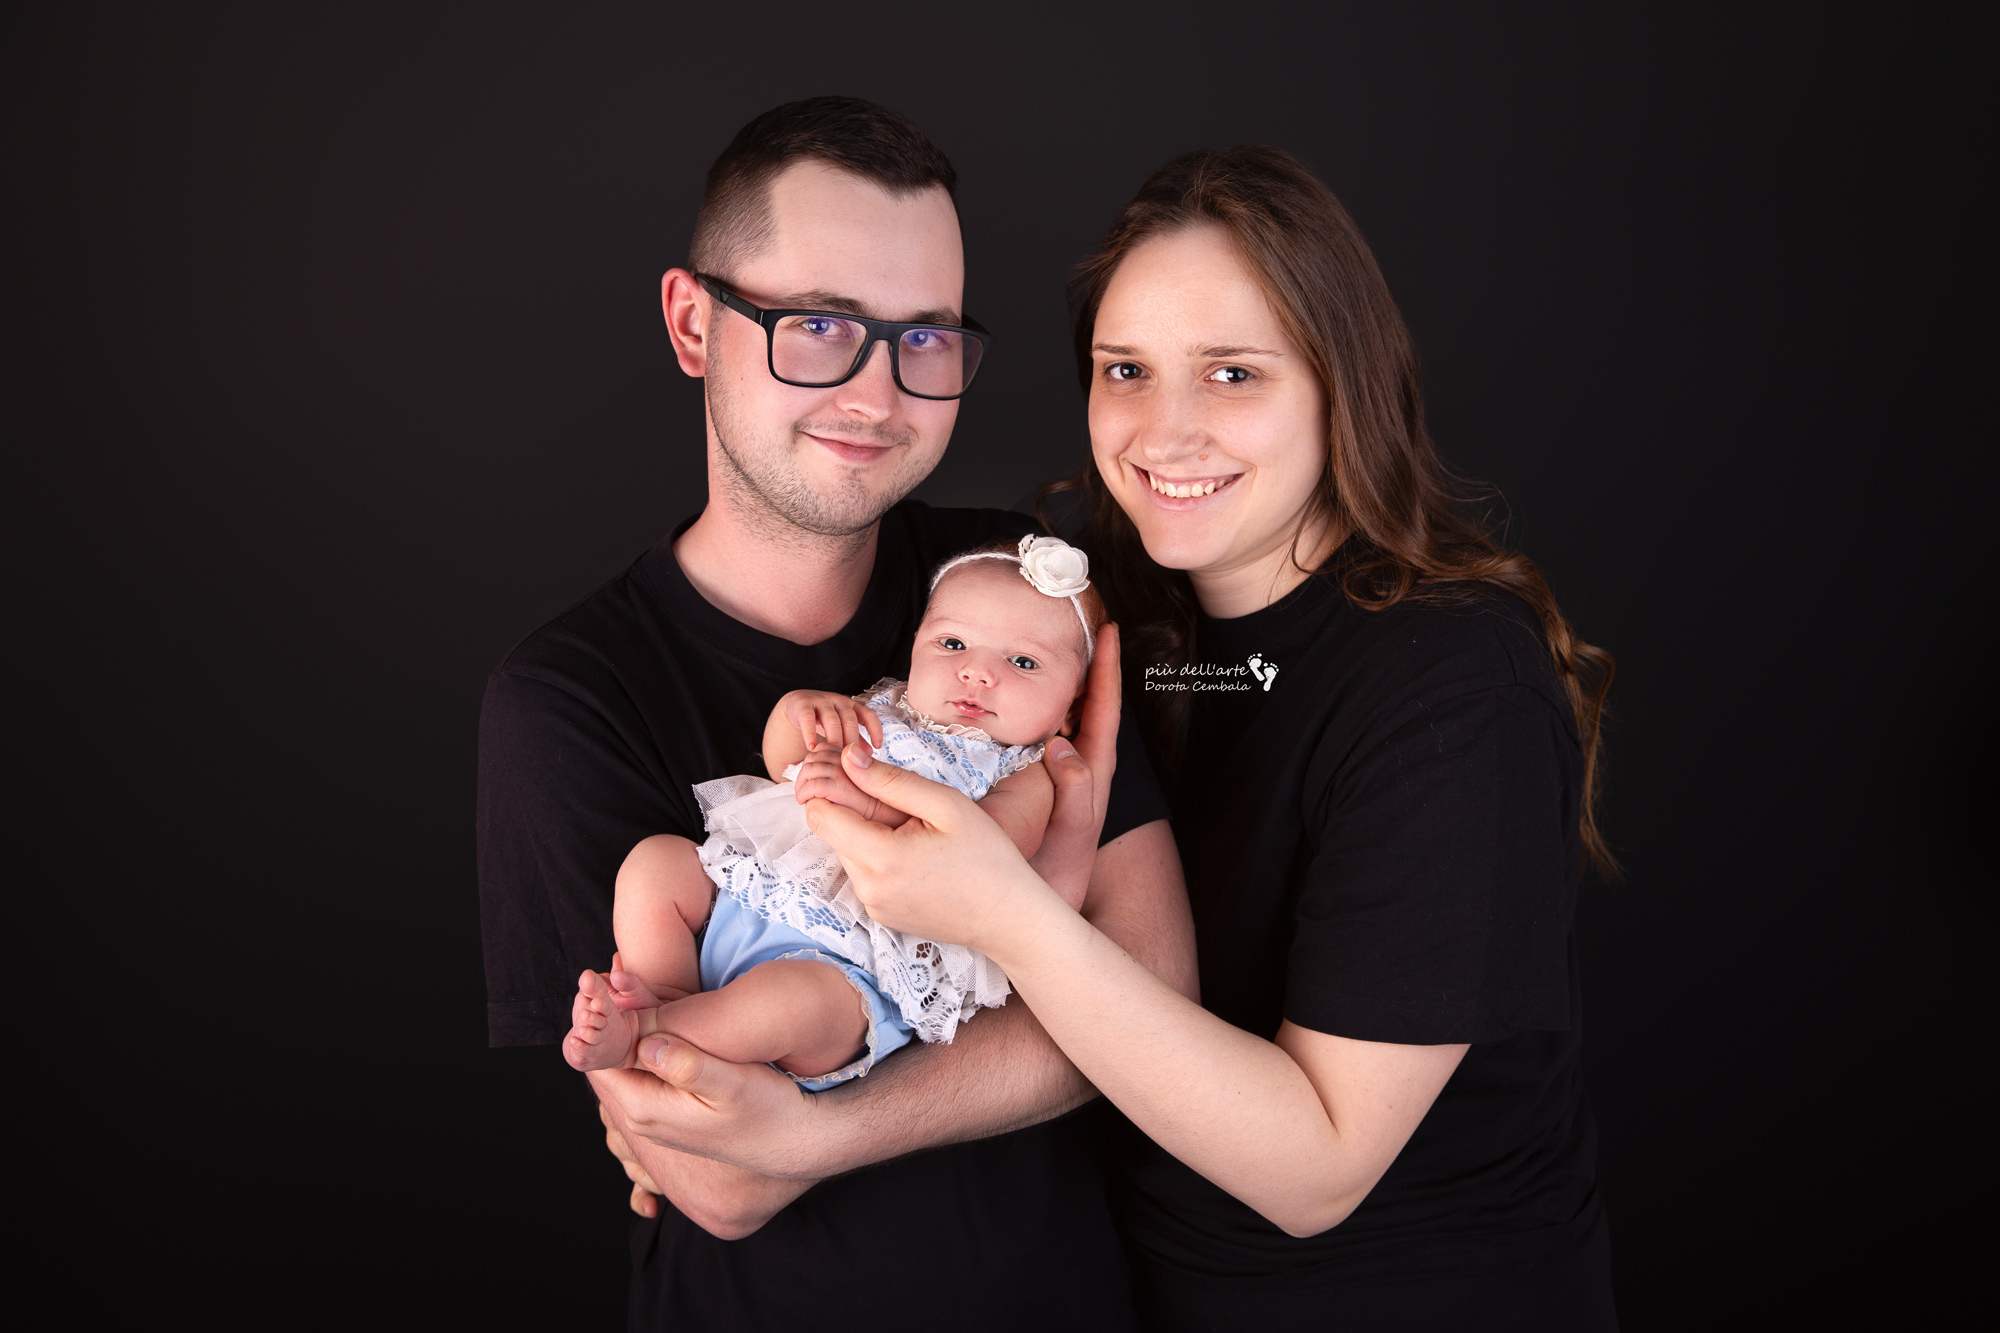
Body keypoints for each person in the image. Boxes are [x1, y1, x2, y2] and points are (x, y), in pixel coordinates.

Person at [804, 146, 1622, 1330]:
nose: (1164, 431)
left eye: (1232, 373)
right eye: (1124, 371)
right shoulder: (1114, 617)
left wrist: (1004, 914)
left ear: (1341, 385)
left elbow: (1316, 1169)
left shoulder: (1453, 687)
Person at [476, 97, 1194, 1329]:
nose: (878, 392)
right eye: (816, 326)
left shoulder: (1010, 590)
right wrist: (730, 1121)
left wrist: (812, 1133)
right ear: (692, 324)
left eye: (926, 339)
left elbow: (1151, 994)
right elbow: (714, 1181)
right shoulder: (567, 697)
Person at [562, 537, 1108, 1083]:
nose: (977, 672)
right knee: (656, 864)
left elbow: (986, 849)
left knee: (784, 1003)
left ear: (1070, 708)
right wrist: (794, 713)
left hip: (848, 969)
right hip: (750, 896)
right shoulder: (881, 707)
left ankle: (648, 1032)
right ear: (917, 646)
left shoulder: (1024, 770)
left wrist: (870, 804)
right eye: (953, 643)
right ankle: (667, 989)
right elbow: (784, 767)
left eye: (1022, 661)